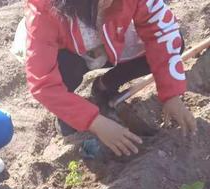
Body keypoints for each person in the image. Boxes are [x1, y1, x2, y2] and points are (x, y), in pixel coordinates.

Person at [25, 0, 197, 156]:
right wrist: (95, 122)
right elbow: (43, 84)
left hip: (111, 36)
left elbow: (161, 32)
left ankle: (105, 86)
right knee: (64, 68)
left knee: (173, 44)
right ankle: (66, 115)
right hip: (68, 49)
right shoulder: (44, 11)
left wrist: (171, 94)